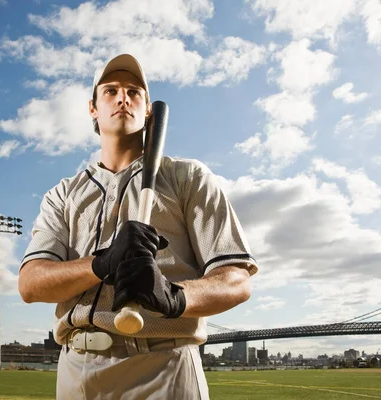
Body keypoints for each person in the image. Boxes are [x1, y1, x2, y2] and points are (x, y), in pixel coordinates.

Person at [18, 53, 258, 400]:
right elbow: (31, 283)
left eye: (134, 91)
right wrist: (101, 263)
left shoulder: (187, 178)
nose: (123, 97)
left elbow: (236, 280)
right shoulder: (63, 194)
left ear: (148, 110)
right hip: (76, 370)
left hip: (162, 365)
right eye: (111, 90)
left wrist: (175, 296)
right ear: (93, 108)